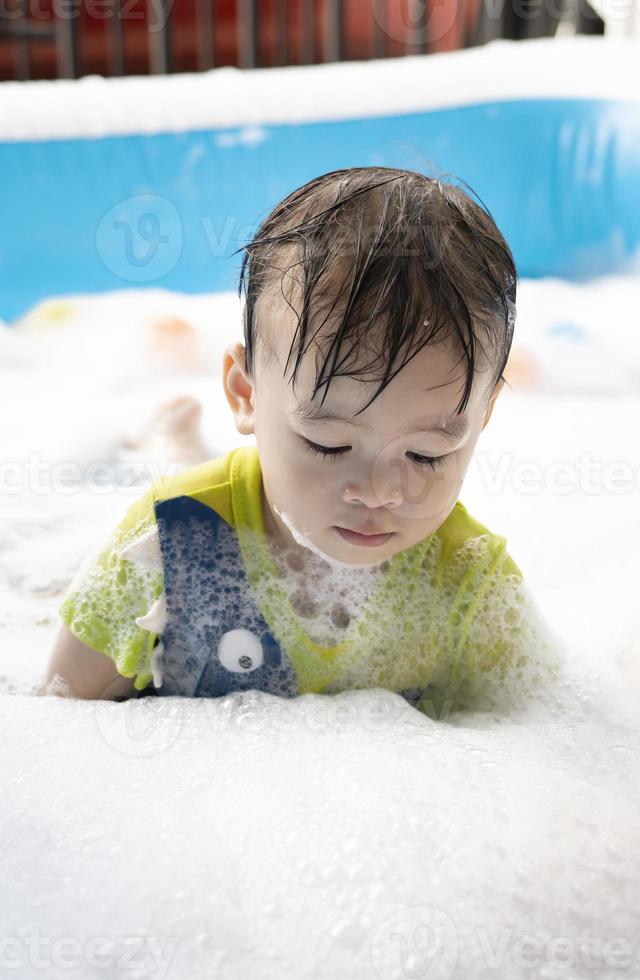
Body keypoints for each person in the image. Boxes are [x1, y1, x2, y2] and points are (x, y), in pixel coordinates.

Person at [40, 166, 565, 718]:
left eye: (425, 454)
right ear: (245, 393)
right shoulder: (169, 542)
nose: (380, 491)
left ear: (483, 417)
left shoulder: (471, 584)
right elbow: (61, 709)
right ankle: (173, 441)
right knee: (191, 476)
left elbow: (544, 739)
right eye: (329, 444)